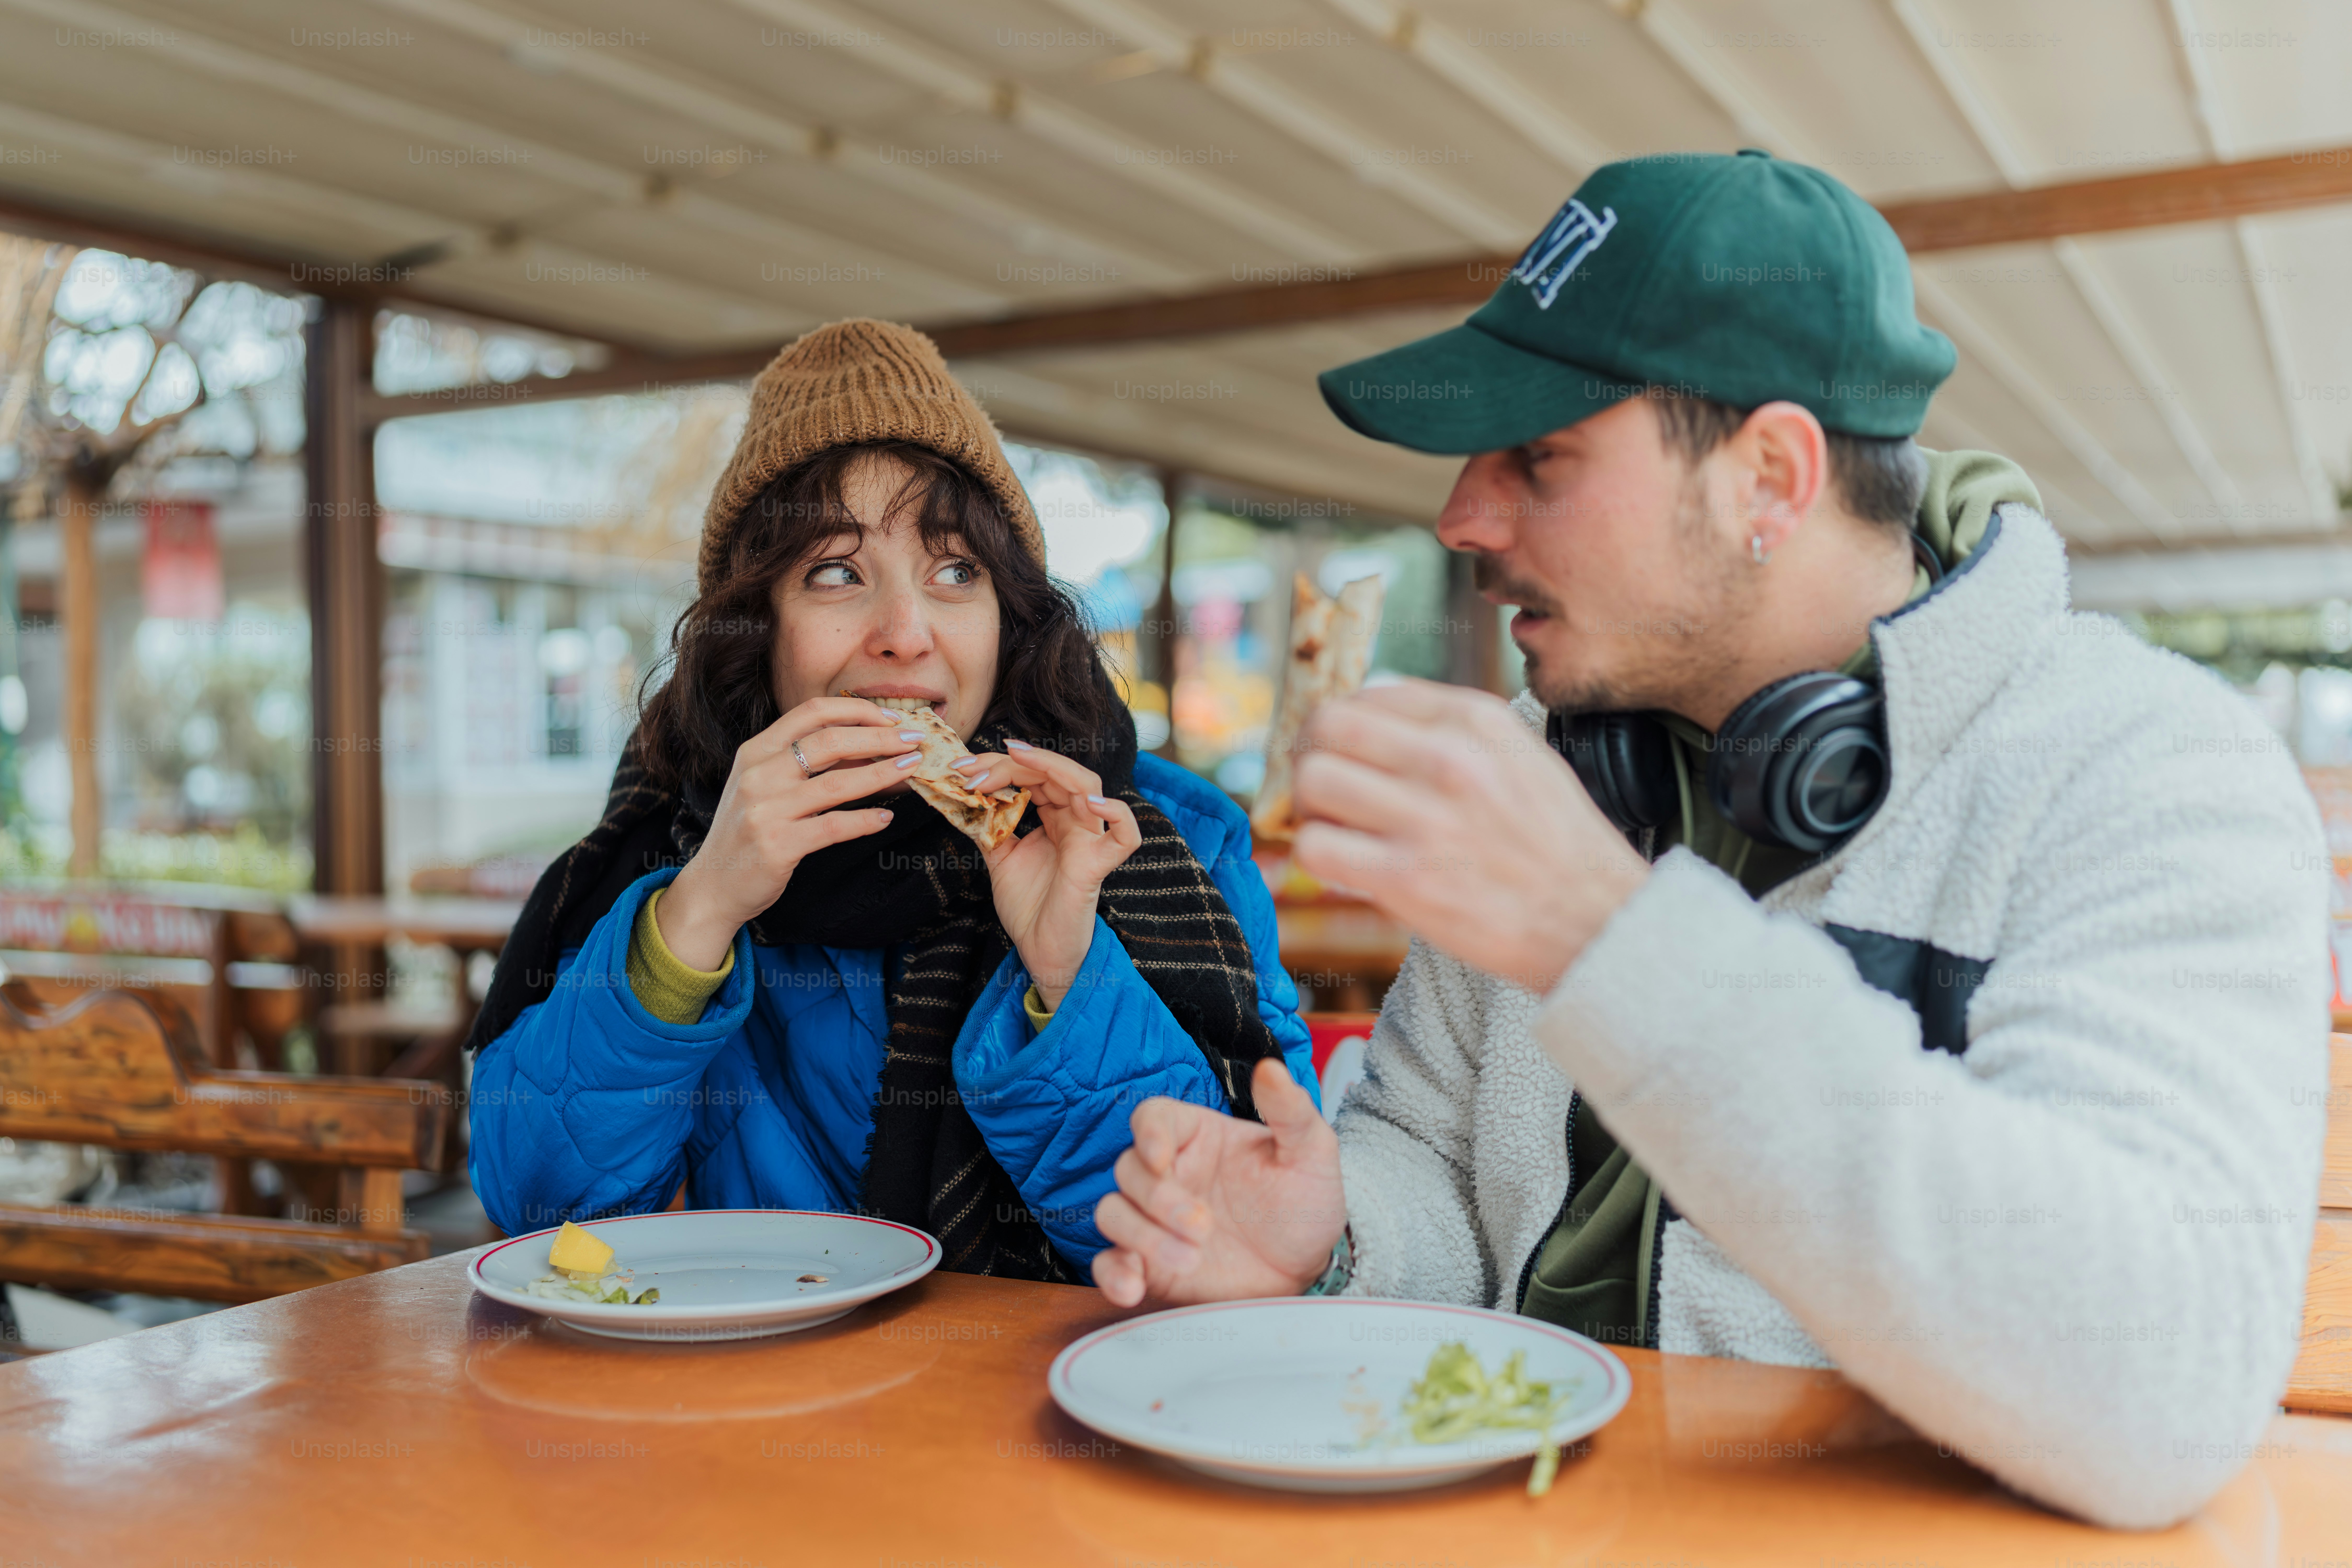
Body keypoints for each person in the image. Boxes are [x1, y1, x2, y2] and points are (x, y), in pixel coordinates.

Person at [1089, 152, 2330, 1527]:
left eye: (1540, 457)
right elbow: (1440, 1179)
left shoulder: (2146, 771)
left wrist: (1601, 937)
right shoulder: (1542, 756)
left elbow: (2151, 1397)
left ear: (1769, 479)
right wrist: (1335, 1239)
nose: (1462, 519)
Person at [468, 319, 1314, 1280]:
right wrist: (700, 910)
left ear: (1011, 614)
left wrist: (1068, 963)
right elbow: (540, 1216)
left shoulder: (1169, 842)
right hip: (748, 1411)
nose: (906, 634)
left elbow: (1210, 1248)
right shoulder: (666, 843)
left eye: (957, 571)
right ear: (756, 630)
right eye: (836, 573)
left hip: (1060, 1407)